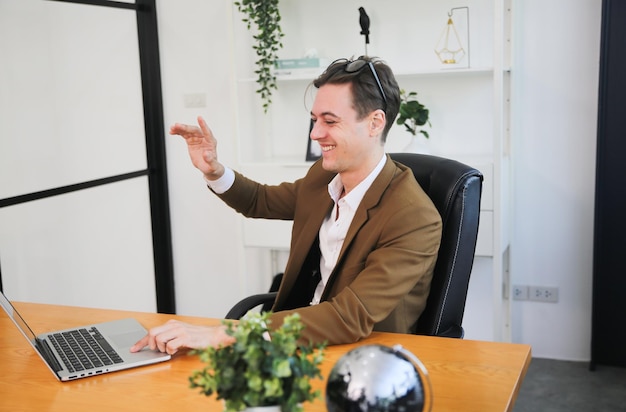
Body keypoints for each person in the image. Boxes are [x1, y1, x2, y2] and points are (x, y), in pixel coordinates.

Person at [131, 56, 442, 355]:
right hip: (300, 338)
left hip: (364, 355)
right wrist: (214, 170)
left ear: (375, 123)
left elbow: (350, 316)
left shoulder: (413, 216)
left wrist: (223, 333)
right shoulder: (324, 177)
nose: (315, 134)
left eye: (329, 121)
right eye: (314, 120)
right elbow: (259, 201)